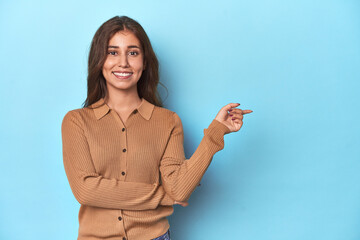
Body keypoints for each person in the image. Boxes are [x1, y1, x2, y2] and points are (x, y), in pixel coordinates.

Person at [61, 15, 253, 240]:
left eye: (133, 52)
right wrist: (163, 195)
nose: (123, 62)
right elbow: (86, 190)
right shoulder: (76, 122)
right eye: (112, 52)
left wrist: (215, 132)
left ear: (144, 61)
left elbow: (179, 190)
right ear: (99, 60)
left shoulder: (168, 121)